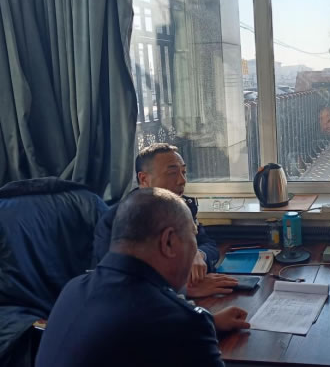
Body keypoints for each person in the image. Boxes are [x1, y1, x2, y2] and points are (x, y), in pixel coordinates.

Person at [36, 188, 250, 367]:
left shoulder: (73, 290)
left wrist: (210, 322)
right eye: (192, 236)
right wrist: (199, 324)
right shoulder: (184, 324)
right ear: (168, 242)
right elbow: (161, 326)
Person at [94, 143, 238, 297]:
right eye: (172, 173)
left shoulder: (182, 208)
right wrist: (181, 290)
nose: (182, 180)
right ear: (144, 179)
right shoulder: (117, 220)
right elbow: (114, 280)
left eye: (184, 172)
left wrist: (197, 253)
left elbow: (209, 245)